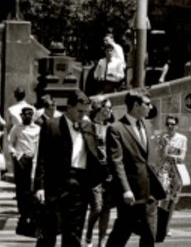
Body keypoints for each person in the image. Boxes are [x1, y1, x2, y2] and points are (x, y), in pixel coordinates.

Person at [35, 90, 106, 247]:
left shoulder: (88, 126)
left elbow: (94, 155)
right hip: (56, 184)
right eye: (79, 111)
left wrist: (97, 179)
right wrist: (39, 187)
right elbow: (41, 158)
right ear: (69, 107)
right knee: (49, 233)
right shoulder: (51, 125)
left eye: (85, 112)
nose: (82, 115)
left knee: (74, 233)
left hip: (80, 185)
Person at [106, 90, 166, 247]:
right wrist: (125, 189)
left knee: (149, 235)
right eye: (147, 104)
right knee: (122, 231)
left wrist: (159, 178)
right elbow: (116, 162)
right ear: (136, 105)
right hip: (131, 193)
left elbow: (150, 157)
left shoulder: (147, 125)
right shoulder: (116, 128)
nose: (150, 107)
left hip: (150, 191)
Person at [85, 98, 117, 247]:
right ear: (99, 109)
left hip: (109, 173)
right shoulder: (89, 127)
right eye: (108, 108)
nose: (111, 110)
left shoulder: (111, 127)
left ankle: (102, 241)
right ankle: (90, 231)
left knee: (106, 208)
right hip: (94, 173)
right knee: (97, 207)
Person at [154, 115, 190, 241]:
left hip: (176, 172)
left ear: (177, 125)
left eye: (172, 124)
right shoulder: (161, 137)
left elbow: (182, 157)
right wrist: (167, 145)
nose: (170, 126)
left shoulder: (182, 139)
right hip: (163, 171)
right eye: (168, 124)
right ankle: (159, 227)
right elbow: (161, 156)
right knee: (162, 199)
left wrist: (171, 155)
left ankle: (167, 227)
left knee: (172, 201)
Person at [8, 106, 41, 229]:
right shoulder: (16, 128)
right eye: (24, 115)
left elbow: (39, 145)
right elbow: (10, 142)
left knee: (31, 187)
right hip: (21, 159)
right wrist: (15, 154)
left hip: (33, 159)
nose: (26, 117)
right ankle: (22, 211)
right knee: (21, 187)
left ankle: (31, 211)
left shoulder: (38, 129)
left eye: (28, 115)